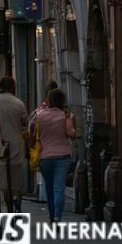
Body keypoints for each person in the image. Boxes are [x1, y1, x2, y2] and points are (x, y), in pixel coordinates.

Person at [32, 88, 78, 223]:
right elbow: (71, 133)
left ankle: (52, 216)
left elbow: (32, 128)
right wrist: (73, 124)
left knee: (49, 188)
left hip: (45, 156)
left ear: (49, 100)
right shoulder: (65, 115)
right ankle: (57, 216)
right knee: (59, 188)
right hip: (62, 156)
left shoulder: (40, 115)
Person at [0, 77, 30, 213]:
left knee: (4, 180)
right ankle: (16, 201)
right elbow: (25, 123)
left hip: (0, 144)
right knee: (16, 180)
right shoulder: (19, 103)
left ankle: (8, 204)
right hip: (16, 144)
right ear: (13, 87)